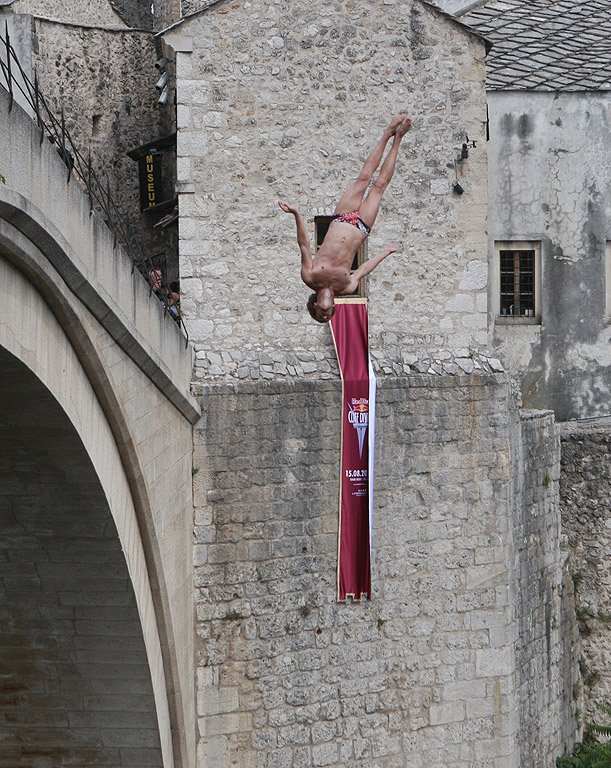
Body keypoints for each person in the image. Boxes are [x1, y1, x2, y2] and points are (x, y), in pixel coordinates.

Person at [279, 114, 412, 323]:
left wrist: (296, 213)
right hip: (361, 228)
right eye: (329, 313)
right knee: (379, 187)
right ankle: (398, 139)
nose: (326, 313)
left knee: (364, 177)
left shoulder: (310, 277)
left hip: (342, 219)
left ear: (315, 305)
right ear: (333, 306)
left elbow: (304, 245)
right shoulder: (346, 287)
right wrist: (386, 252)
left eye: (322, 314)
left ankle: (387, 133)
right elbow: (364, 269)